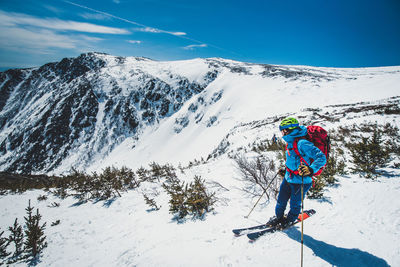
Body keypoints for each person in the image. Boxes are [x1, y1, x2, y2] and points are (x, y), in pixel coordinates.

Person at [268, 117, 326, 228]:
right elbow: (294, 160)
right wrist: (286, 169)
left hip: (301, 180)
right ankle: (278, 217)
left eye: (284, 130)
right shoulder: (290, 142)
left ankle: (290, 220)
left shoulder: (302, 143)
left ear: (290, 130)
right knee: (281, 201)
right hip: (288, 177)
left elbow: (321, 157)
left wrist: (311, 169)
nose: (282, 133)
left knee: (295, 204)